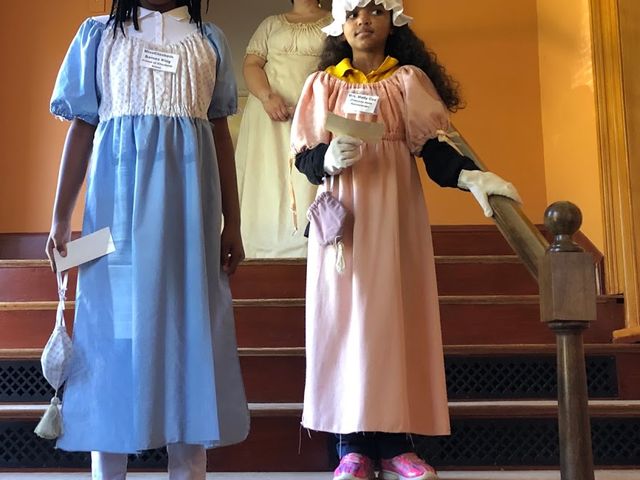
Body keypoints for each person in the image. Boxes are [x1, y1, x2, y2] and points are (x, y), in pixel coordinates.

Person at [290, 1, 521, 479]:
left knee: (395, 321)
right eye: (354, 13)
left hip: (395, 220)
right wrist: (326, 160)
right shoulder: (323, 85)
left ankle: (397, 445)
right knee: (347, 323)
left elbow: (432, 148)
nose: (364, 20)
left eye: (375, 10)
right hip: (345, 225)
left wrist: (471, 177)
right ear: (340, 25)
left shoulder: (407, 81)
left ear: (394, 20)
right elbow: (305, 156)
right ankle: (351, 447)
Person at [45, 1, 249, 478]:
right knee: (111, 338)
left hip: (189, 224)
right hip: (115, 219)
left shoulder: (208, 40)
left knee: (191, 337)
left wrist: (234, 222)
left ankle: (189, 468)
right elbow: (82, 128)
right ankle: (108, 469)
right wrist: (60, 218)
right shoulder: (99, 36)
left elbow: (220, 136)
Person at [235, 0, 330, 258]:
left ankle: (307, 248)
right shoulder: (270, 24)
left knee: (306, 175)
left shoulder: (336, 22)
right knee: (267, 173)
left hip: (313, 114)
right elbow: (251, 64)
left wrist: (311, 105)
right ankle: (258, 247)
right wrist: (267, 97)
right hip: (267, 114)